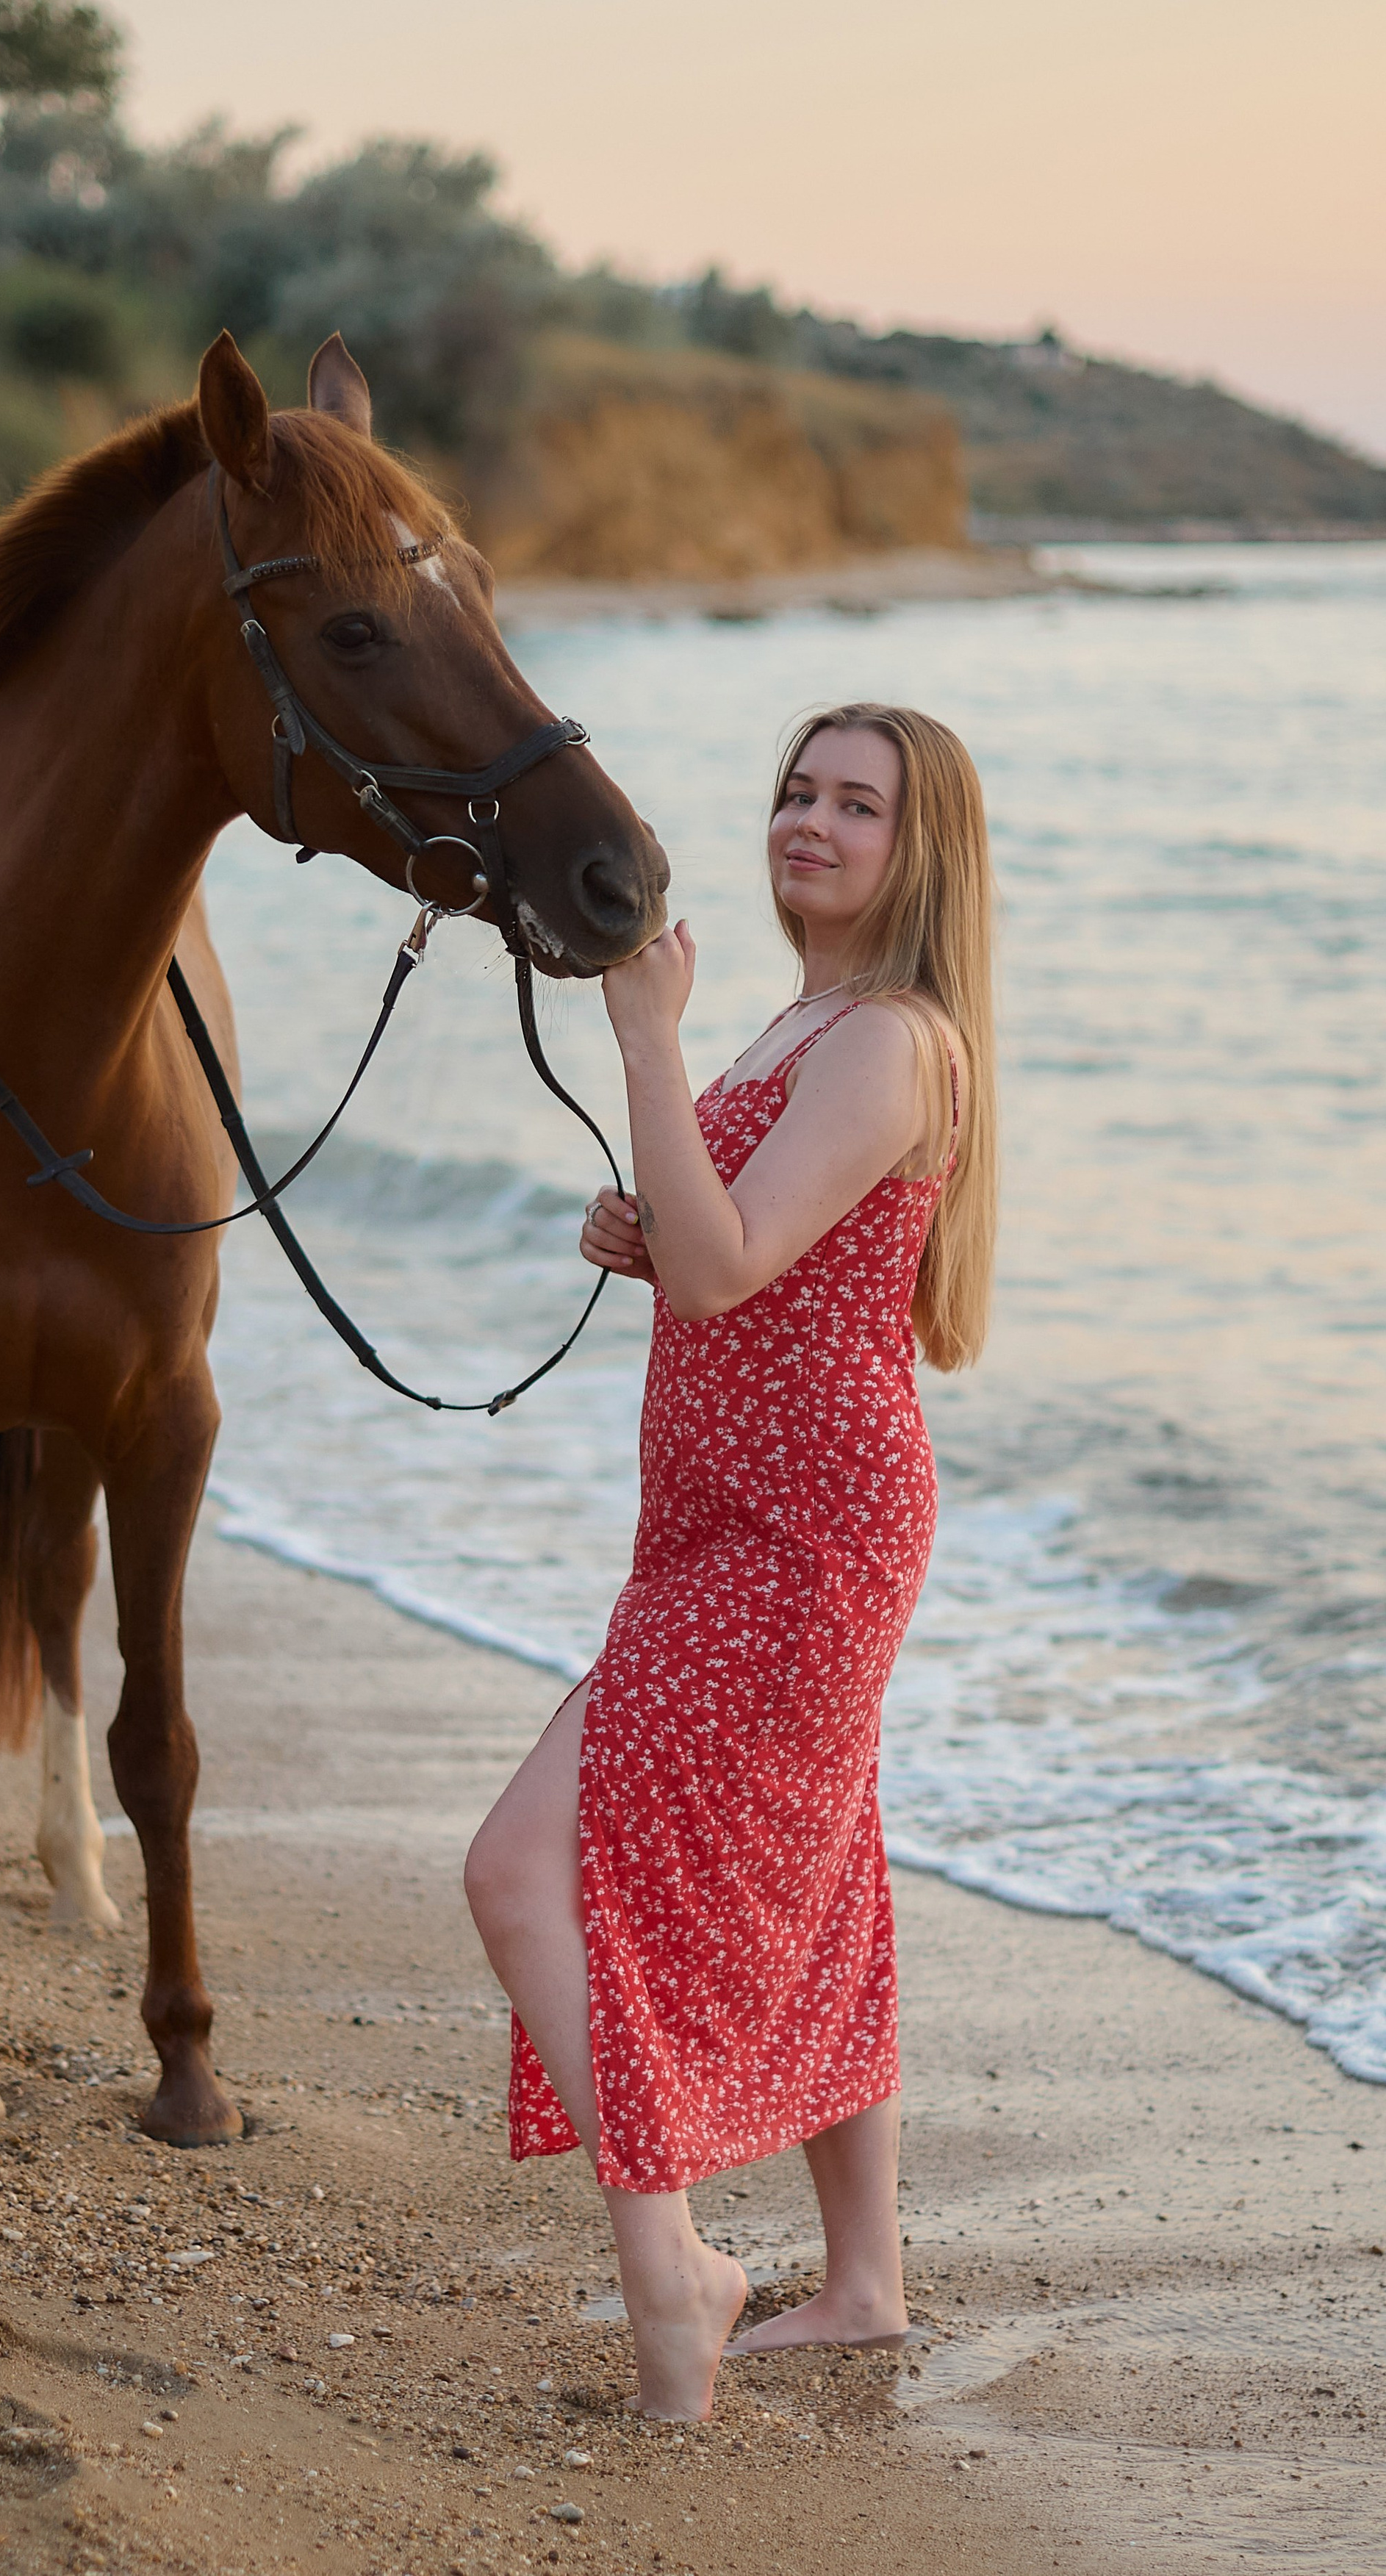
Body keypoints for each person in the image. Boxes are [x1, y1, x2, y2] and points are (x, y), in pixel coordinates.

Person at [464, 701, 997, 2422]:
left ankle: (668, 2264)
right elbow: (721, 1260)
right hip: (717, 1512)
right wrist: (643, 1223)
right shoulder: (807, 1022)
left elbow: (726, 1273)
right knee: (822, 1855)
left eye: (856, 805)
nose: (810, 822)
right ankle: (862, 2281)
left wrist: (642, 1040)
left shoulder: (891, 1040)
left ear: (919, 854)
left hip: (800, 1532)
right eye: (795, 790)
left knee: (521, 1868)